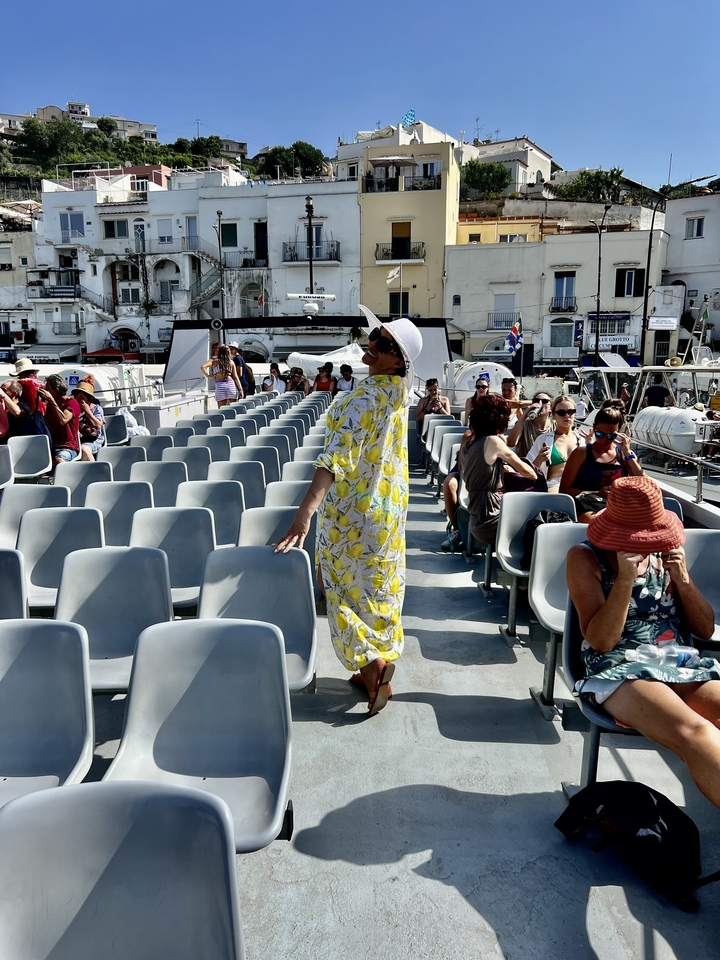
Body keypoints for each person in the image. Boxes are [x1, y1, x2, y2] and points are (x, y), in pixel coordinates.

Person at [275, 308, 423, 717]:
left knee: (336, 588)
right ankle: (370, 664)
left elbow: (335, 458)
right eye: (375, 335)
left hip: (351, 515)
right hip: (387, 513)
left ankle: (372, 666)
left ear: (398, 361)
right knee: (377, 589)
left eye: (386, 345)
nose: (373, 344)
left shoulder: (363, 396)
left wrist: (305, 511)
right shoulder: (397, 393)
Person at [567, 475, 720, 809]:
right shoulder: (585, 558)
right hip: (619, 666)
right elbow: (602, 641)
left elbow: (705, 629)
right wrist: (624, 579)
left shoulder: (667, 554)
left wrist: (682, 580)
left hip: (678, 662)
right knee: (695, 732)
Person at [462, 395, 537, 548]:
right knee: (542, 524)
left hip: (477, 518)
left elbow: (479, 470)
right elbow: (527, 472)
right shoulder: (493, 441)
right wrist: (539, 478)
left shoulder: (469, 443)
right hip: (492, 519)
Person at [560, 400, 643, 522]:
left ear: (619, 433)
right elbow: (564, 490)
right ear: (594, 428)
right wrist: (597, 493)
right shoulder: (581, 453)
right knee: (599, 521)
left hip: (619, 507)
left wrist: (627, 453)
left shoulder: (624, 455)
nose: (604, 440)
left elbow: (645, 483)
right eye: (599, 434)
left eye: (611, 436)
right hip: (588, 507)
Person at [526, 396, 584, 491]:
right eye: (561, 413)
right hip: (555, 484)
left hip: (580, 483)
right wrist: (539, 459)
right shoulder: (543, 439)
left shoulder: (582, 440)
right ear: (553, 415)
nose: (566, 415)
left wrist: (591, 446)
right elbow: (528, 469)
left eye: (570, 412)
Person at [38, 373, 80, 465]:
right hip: (51, 446)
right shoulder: (50, 405)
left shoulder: (71, 403)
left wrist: (51, 401)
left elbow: (63, 420)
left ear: (56, 390)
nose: (45, 390)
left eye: (47, 388)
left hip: (67, 447)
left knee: (59, 461)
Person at [506, 390, 553, 457]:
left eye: (544, 401)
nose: (540, 403)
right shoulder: (524, 424)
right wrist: (525, 414)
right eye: (536, 401)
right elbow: (510, 443)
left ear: (551, 408)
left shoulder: (555, 425)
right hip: (527, 465)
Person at [72, 375, 105, 461]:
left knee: (84, 450)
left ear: (88, 398)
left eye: (82, 397)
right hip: (75, 439)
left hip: (93, 440)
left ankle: (94, 472)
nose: (79, 399)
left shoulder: (96, 408)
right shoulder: (72, 407)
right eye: (77, 396)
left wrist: (87, 411)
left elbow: (98, 425)